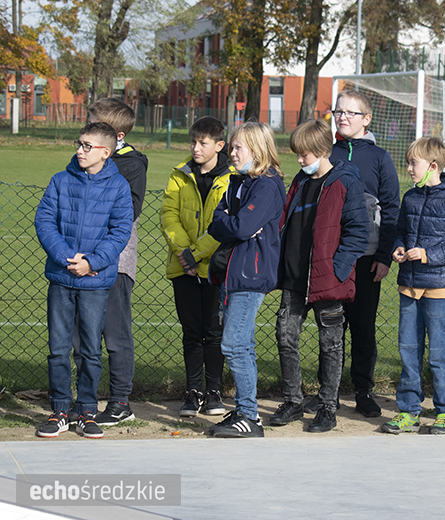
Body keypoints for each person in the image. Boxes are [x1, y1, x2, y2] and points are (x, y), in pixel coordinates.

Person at [34, 122, 133, 438]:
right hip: (62, 278)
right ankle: (60, 409)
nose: (79, 150)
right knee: (58, 349)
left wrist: (92, 261)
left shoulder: (118, 187)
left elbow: (120, 231)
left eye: (87, 146)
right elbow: (45, 222)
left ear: (105, 152)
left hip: (96, 282)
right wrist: (68, 259)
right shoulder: (60, 181)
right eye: (79, 144)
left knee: (90, 350)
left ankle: (87, 411)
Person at [270, 119, 370, 433]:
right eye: (297, 154)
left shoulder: (345, 182)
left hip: (329, 279)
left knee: (331, 344)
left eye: (306, 155)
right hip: (294, 277)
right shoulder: (299, 181)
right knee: (285, 335)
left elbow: (358, 232)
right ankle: (293, 400)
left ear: (323, 150)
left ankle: (327, 407)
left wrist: (338, 269)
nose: (300, 160)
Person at [381, 137, 445, 435]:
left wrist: (427, 255)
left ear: (432, 166)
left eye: (413, 163)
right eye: (408, 162)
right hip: (408, 288)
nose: (408, 168)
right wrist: (398, 248)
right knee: (408, 351)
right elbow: (401, 233)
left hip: (439, 290)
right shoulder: (409, 198)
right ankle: (408, 411)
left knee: (439, 353)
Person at [70, 98, 148, 427]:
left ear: (115, 137)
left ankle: (120, 401)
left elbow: (125, 213)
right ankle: (84, 400)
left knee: (115, 335)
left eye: (94, 129)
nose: (85, 138)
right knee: (80, 336)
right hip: (79, 261)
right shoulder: (80, 161)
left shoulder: (131, 165)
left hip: (113, 264)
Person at [206, 122, 286, 438]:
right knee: (243, 343)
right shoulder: (239, 182)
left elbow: (238, 228)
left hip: (250, 274)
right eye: (232, 147)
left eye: (238, 147)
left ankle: (250, 416)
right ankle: (244, 409)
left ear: (257, 149)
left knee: (234, 343)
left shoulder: (266, 185)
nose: (232, 152)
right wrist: (228, 221)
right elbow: (220, 221)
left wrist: (230, 222)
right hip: (233, 272)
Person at [328, 90, 400, 418]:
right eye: (338, 112)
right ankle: (327, 391)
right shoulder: (327, 153)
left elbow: (392, 208)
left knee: (362, 326)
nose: (342, 117)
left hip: (368, 258)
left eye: (350, 113)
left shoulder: (380, 158)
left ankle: (362, 390)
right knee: (331, 326)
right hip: (331, 257)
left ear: (366, 119)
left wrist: (384, 256)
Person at [161, 116, 234, 417]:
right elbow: (169, 215)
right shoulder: (180, 175)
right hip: (184, 269)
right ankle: (193, 392)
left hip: (216, 270)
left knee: (214, 333)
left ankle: (214, 392)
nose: (195, 148)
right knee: (191, 332)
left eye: (202, 143)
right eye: (192, 141)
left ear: (219, 145)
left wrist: (198, 255)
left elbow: (227, 224)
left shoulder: (231, 177)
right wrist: (184, 254)